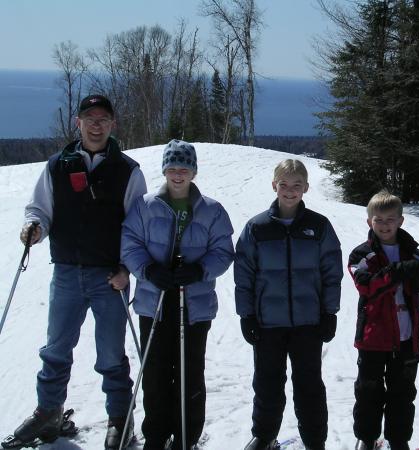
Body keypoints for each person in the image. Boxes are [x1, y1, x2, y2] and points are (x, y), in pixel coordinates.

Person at [9, 94, 147, 449]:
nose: (96, 124)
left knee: (111, 355)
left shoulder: (128, 170)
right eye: (90, 118)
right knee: (55, 348)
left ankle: (120, 419)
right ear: (78, 122)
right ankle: (48, 412)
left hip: (109, 277)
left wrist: (126, 268)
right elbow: (39, 208)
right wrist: (34, 227)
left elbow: (138, 227)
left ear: (113, 124)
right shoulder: (57, 165)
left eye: (103, 118)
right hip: (68, 272)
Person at [120, 139, 234, 450]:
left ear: (193, 172)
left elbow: (223, 251)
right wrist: (147, 269)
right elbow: (130, 244)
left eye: (184, 168)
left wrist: (200, 271)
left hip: (193, 302)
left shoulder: (211, 210)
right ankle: (155, 435)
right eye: (172, 168)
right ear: (164, 171)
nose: (178, 175)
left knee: (190, 373)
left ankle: (186, 436)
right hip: (154, 300)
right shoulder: (144, 206)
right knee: (155, 371)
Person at [234, 159, 343, 450]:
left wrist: (329, 312)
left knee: (309, 385)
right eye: (284, 185)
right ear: (274, 186)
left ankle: (314, 440)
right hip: (268, 323)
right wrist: (247, 315)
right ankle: (265, 435)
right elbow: (244, 275)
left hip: (308, 323)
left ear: (306, 188)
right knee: (268, 384)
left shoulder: (318, 227)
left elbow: (332, 272)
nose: (290, 191)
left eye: (297, 185)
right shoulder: (257, 228)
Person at [347, 190, 419, 450]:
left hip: (407, 337)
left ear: (401, 221)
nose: (384, 225)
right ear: (369, 221)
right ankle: (367, 437)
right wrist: (397, 271)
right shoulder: (362, 255)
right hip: (374, 337)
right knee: (369, 390)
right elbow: (367, 288)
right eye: (378, 220)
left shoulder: (415, 256)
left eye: (390, 219)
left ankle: (399, 439)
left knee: (402, 393)